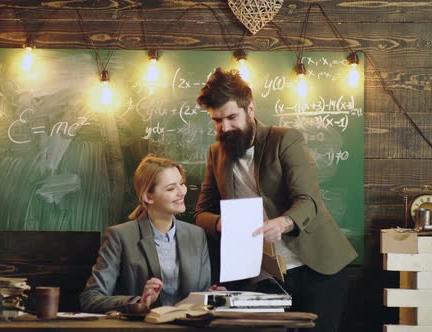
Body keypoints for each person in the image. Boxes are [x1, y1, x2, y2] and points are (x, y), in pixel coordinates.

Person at [194, 68, 357, 332]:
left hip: (315, 268)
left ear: (250, 109)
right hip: (261, 276)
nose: (224, 127)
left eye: (232, 117)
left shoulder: (285, 139)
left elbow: (309, 201)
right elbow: (201, 214)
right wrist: (221, 223)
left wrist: (282, 223)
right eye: (216, 120)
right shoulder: (215, 153)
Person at [80, 156, 212, 313]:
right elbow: (91, 299)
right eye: (171, 188)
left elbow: (202, 296)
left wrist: (213, 295)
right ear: (148, 197)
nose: (182, 192)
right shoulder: (119, 236)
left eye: (181, 184)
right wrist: (139, 302)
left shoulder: (197, 235)